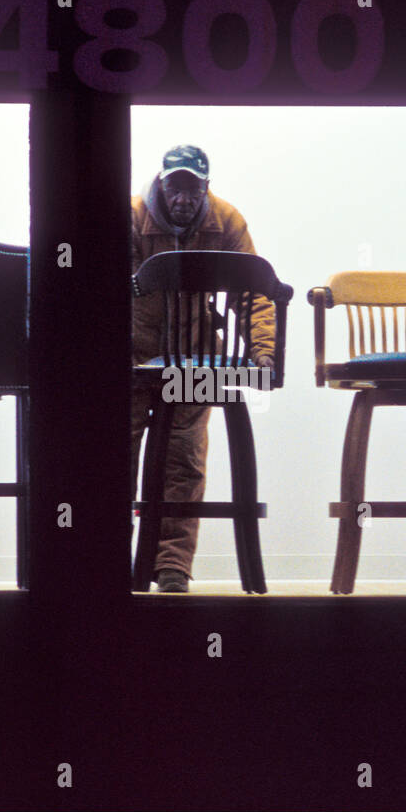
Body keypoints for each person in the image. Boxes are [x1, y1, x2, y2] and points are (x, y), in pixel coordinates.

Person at [130, 145, 275, 593]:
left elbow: (253, 291)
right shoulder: (132, 218)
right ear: (161, 183)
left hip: (195, 355)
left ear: (206, 188)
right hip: (132, 357)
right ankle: (108, 558)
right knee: (112, 457)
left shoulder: (226, 221)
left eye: (193, 188)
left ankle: (172, 565)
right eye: (175, 186)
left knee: (185, 460)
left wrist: (263, 350)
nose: (183, 198)